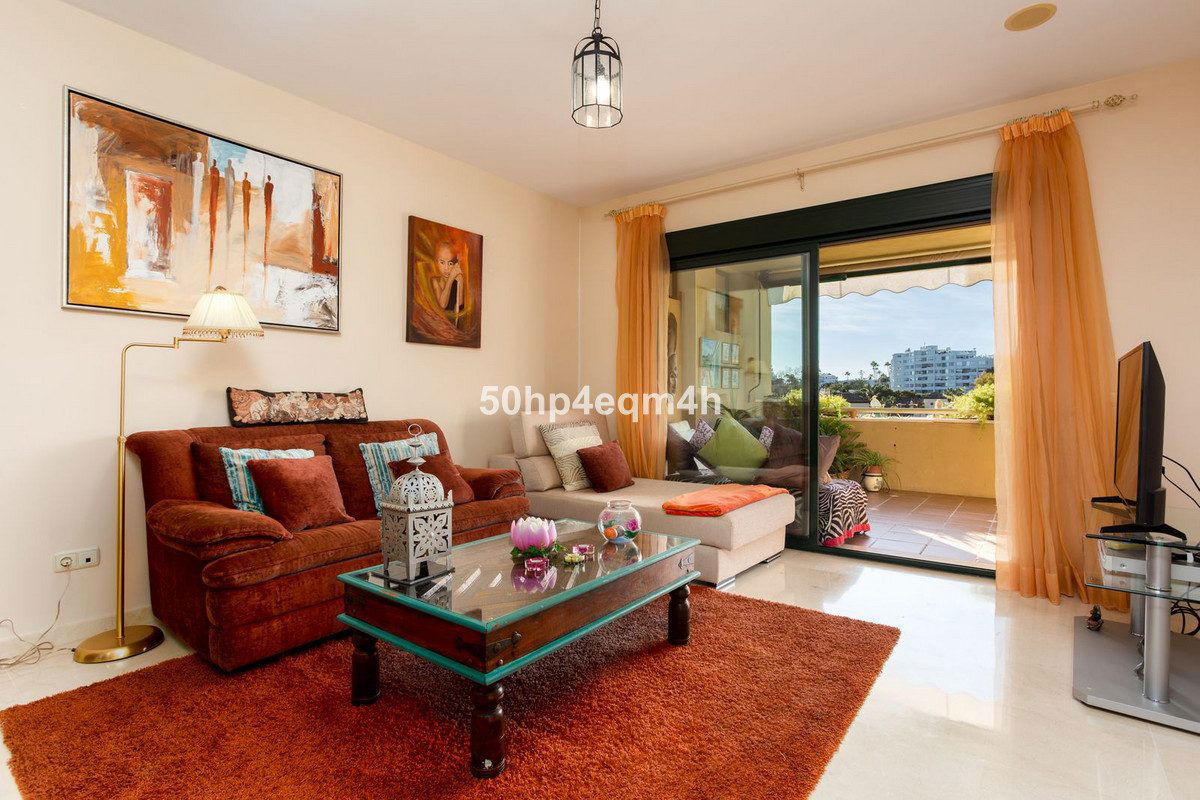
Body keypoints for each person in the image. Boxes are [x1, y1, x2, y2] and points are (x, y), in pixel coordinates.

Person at [430, 241, 465, 317]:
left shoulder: (457, 280)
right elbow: (442, 305)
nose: (446, 268)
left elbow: (459, 308)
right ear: (436, 262)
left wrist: (460, 282)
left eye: (450, 263)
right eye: (442, 262)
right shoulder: (435, 281)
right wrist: (451, 278)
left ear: (455, 263)